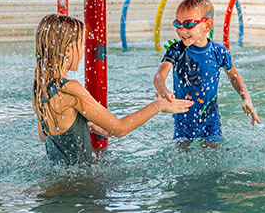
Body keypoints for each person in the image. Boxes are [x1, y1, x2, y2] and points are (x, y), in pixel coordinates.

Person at [33, 13, 192, 165]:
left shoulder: (40, 87)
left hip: (59, 177)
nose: (82, 51)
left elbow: (43, 135)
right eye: (81, 45)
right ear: (68, 50)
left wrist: (84, 126)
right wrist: (158, 105)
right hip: (81, 181)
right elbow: (120, 129)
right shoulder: (70, 89)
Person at [153, 0, 259, 142]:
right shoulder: (177, 50)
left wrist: (246, 98)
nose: (181, 30)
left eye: (188, 24)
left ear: (207, 26)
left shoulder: (219, 52)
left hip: (210, 118)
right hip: (183, 119)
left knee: (214, 150)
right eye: (177, 24)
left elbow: (234, 76)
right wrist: (164, 91)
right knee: (182, 151)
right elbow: (159, 76)